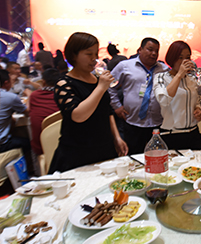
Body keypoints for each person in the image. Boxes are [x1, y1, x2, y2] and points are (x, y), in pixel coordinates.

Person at [49, 32, 128, 173]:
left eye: (95, 53)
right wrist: (101, 87)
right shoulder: (64, 84)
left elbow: (108, 111)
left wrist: (116, 137)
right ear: (73, 55)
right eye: (88, 54)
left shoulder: (98, 81)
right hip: (77, 152)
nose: (94, 58)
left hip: (104, 148)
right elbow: (78, 115)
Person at [109, 37, 168, 155]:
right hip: (133, 122)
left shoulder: (164, 69)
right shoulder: (125, 66)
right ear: (140, 50)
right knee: (133, 157)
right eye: (150, 49)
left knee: (157, 157)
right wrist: (117, 106)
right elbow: (109, 87)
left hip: (158, 123)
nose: (154, 53)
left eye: (156, 51)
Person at [154, 41, 201, 150]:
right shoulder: (161, 77)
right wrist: (179, 75)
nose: (184, 61)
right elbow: (164, 100)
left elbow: (196, 102)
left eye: (187, 57)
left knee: (198, 160)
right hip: (171, 134)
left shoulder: (191, 79)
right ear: (172, 58)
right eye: (180, 57)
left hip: (193, 133)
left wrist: (198, 110)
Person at [28, 68, 60, 156]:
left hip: (40, 147)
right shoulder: (64, 95)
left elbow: (27, 110)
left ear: (43, 82)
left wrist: (28, 94)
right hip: (63, 145)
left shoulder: (34, 95)